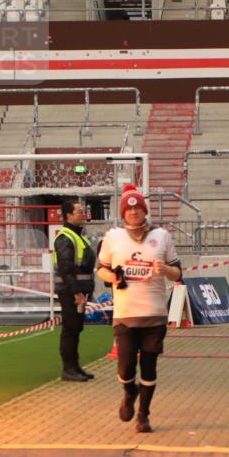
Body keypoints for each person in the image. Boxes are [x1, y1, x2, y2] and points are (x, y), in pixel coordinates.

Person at [97, 184, 182, 433]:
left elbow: (178, 273)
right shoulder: (112, 237)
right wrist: (112, 277)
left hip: (154, 315)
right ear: (123, 214)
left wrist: (164, 270)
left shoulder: (162, 236)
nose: (134, 213)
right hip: (125, 315)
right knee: (124, 368)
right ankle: (128, 391)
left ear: (145, 211)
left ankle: (143, 415)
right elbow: (100, 268)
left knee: (149, 366)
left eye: (138, 209)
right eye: (129, 210)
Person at [53, 199, 97, 382]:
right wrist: (76, 293)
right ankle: (68, 368)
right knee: (70, 329)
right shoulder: (65, 238)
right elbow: (66, 269)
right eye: (79, 211)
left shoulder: (79, 236)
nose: (83, 213)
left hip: (78, 290)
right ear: (69, 215)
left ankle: (75, 366)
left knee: (76, 328)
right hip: (70, 291)